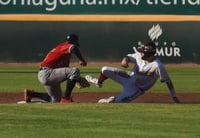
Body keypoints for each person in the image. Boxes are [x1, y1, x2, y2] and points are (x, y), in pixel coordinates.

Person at [85, 41, 180, 103]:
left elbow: (168, 81)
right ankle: (99, 82)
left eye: (143, 51)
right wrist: (125, 60)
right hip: (129, 77)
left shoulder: (158, 65)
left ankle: (110, 99)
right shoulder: (139, 56)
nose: (140, 52)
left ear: (148, 53)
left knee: (119, 101)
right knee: (104, 69)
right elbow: (128, 57)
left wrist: (174, 96)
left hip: (137, 89)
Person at [24, 34, 87, 103]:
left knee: (57, 100)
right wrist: (82, 60)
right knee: (75, 71)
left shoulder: (63, 53)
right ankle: (66, 98)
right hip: (47, 73)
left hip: (46, 74)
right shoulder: (64, 46)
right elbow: (73, 48)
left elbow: (66, 73)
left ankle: (32, 94)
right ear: (73, 42)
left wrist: (77, 78)